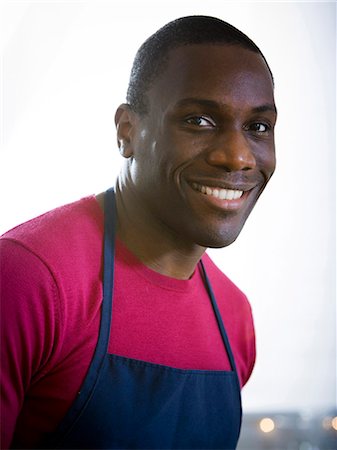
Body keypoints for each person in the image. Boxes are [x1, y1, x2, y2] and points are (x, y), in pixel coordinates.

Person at [0, 15, 277, 450]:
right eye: (199, 120)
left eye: (258, 127)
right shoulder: (27, 280)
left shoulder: (235, 319)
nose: (238, 157)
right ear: (127, 131)